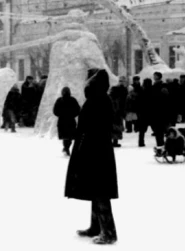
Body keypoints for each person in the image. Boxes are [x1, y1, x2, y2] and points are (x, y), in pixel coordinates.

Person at [65, 68, 118, 245]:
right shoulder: (98, 99)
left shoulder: (99, 100)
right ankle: (96, 226)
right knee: (95, 189)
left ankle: (109, 232)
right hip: (95, 149)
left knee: (100, 190)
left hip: (96, 150)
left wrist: (83, 143)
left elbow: (95, 127)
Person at [53, 86, 80, 156]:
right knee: (70, 136)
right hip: (71, 121)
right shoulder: (73, 100)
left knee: (65, 137)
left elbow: (55, 111)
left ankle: (66, 148)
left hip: (62, 121)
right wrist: (72, 115)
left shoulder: (59, 100)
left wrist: (61, 114)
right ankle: (66, 148)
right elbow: (78, 110)